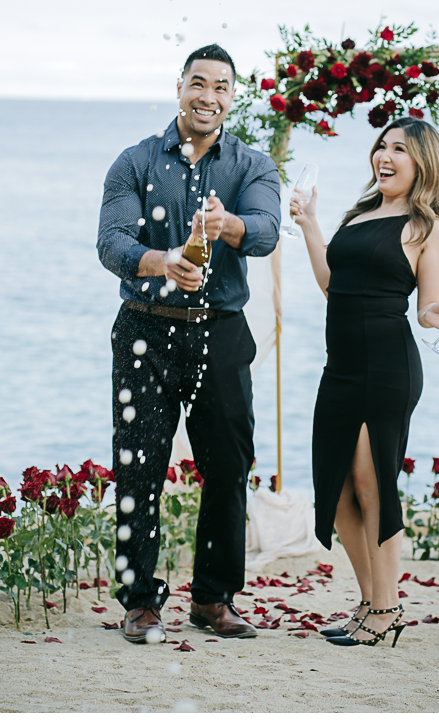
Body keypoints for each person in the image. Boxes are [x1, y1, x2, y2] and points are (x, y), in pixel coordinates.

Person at [97, 44, 280, 644]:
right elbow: (111, 242)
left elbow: (266, 231)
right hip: (145, 326)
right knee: (139, 464)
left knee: (228, 466)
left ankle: (213, 597)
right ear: (179, 87)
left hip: (220, 333)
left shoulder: (252, 166)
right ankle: (141, 601)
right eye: (198, 83)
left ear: (233, 97)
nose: (209, 96)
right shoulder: (134, 161)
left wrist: (226, 225)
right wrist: (163, 260)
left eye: (222, 87)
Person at [289, 116, 439, 648]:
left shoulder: (430, 226)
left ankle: (386, 609)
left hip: (386, 367)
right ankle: (372, 604)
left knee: (372, 486)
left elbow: (427, 309)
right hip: (339, 367)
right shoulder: (361, 213)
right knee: (338, 488)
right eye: (381, 146)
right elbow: (332, 286)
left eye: (399, 150)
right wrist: (310, 224)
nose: (384, 157)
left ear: (423, 162)